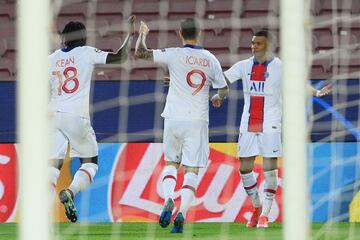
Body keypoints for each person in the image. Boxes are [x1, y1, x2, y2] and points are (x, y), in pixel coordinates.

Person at [223, 30, 331, 228]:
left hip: (270, 124)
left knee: (269, 169)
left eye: (258, 43)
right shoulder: (244, 65)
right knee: (244, 169)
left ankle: (265, 214)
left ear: (269, 45)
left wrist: (316, 92)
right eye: (253, 43)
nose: (254, 46)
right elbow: (222, 78)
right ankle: (256, 207)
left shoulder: (281, 67)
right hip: (247, 124)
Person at [135, 19, 228, 233]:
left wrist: (142, 34)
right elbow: (223, 89)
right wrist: (217, 98)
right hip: (197, 119)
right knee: (191, 170)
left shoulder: (174, 54)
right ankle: (182, 214)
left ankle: (168, 198)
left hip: (173, 117)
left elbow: (141, 53)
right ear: (200, 33)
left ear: (180, 33)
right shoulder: (210, 58)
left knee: (170, 163)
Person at [48, 15, 136, 222]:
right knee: (90, 163)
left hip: (52, 115)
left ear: (64, 38)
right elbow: (120, 57)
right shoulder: (87, 53)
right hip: (76, 116)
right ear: (83, 37)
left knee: (51, 166)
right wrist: (130, 34)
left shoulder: (50, 58)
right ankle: (70, 191)